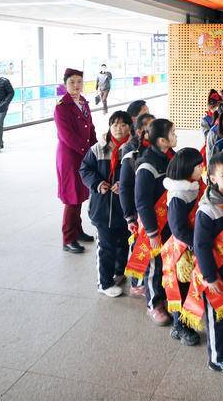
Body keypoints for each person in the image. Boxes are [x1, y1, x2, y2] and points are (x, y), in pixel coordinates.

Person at [186, 152, 223, 374]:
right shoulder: (208, 209)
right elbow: (201, 246)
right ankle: (218, 359)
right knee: (218, 318)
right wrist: (210, 277)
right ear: (212, 178)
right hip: (216, 276)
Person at [129, 118, 177, 325]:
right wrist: (151, 232)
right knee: (154, 266)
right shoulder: (147, 165)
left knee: (167, 263)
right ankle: (154, 304)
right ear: (162, 140)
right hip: (155, 225)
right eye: (172, 133)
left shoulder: (171, 156)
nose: (176, 136)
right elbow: (142, 202)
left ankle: (165, 296)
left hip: (170, 222)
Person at [79, 110, 132, 297]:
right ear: (109, 127)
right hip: (103, 209)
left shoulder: (134, 149)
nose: (119, 128)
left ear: (130, 127)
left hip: (125, 208)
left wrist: (124, 184)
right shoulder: (98, 148)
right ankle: (104, 283)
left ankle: (118, 272)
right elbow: (85, 169)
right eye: (115, 124)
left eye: (123, 125)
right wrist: (97, 183)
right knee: (106, 246)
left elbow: (139, 174)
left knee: (123, 242)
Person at [163, 147, 205, 347]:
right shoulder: (179, 195)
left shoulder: (194, 185)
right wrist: (197, 245)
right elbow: (178, 228)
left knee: (190, 287)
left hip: (193, 244)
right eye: (198, 166)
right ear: (188, 169)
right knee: (181, 288)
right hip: (183, 250)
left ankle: (187, 321)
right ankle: (179, 326)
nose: (202, 168)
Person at [54, 68, 97, 253]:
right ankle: (68, 238)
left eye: (79, 81)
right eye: (72, 82)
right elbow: (67, 135)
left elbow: (91, 128)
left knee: (79, 193)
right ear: (65, 84)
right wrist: (87, 151)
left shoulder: (83, 102)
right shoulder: (61, 106)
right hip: (69, 157)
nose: (76, 85)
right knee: (72, 197)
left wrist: (96, 147)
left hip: (84, 155)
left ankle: (77, 231)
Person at [119, 112, 155, 298]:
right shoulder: (131, 153)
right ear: (140, 131)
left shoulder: (156, 150)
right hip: (137, 208)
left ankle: (146, 280)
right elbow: (125, 187)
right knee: (139, 245)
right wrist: (129, 216)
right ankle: (137, 283)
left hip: (152, 207)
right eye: (151, 127)